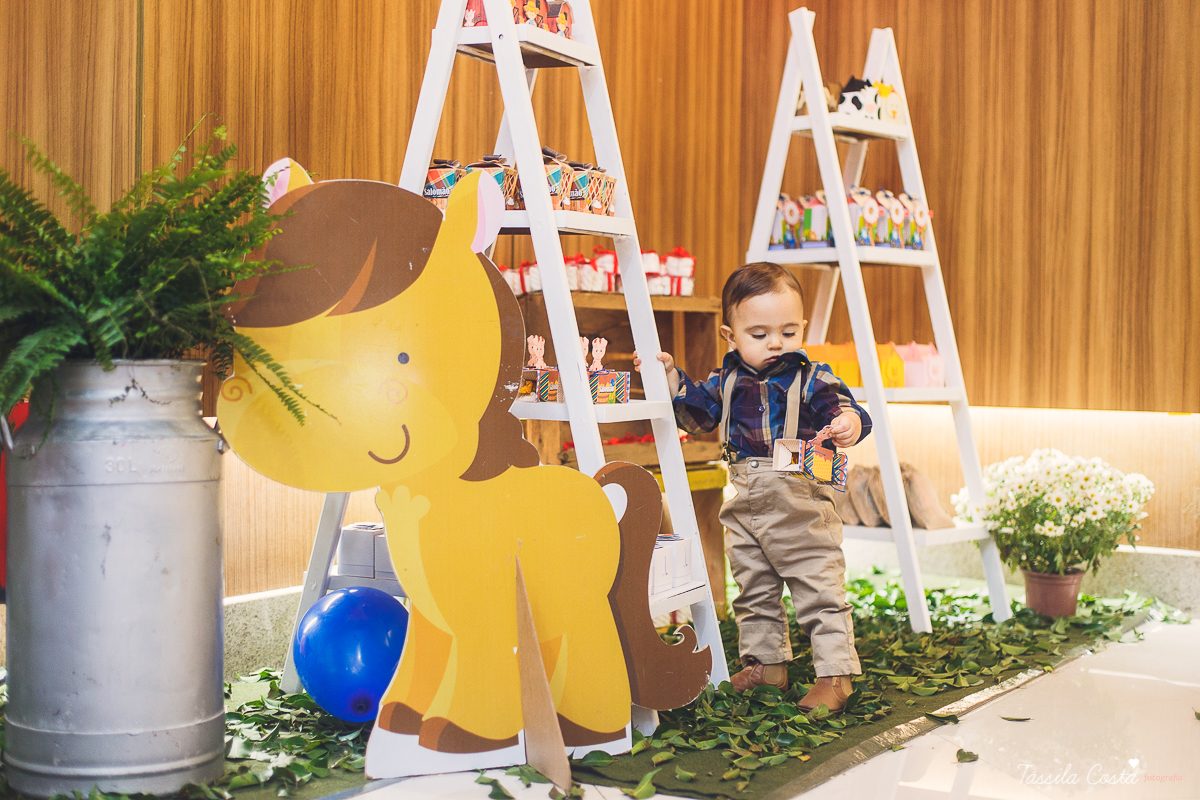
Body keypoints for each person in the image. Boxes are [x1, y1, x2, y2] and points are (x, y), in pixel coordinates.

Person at [635, 262, 871, 712]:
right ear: (731, 335)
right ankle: (768, 665)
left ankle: (835, 675)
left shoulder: (813, 378)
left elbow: (849, 408)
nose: (776, 343)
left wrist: (848, 422)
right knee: (753, 583)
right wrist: (671, 381)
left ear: (802, 327)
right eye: (759, 334)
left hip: (799, 498)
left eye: (787, 331)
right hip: (744, 497)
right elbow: (697, 416)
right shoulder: (725, 381)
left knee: (817, 584)